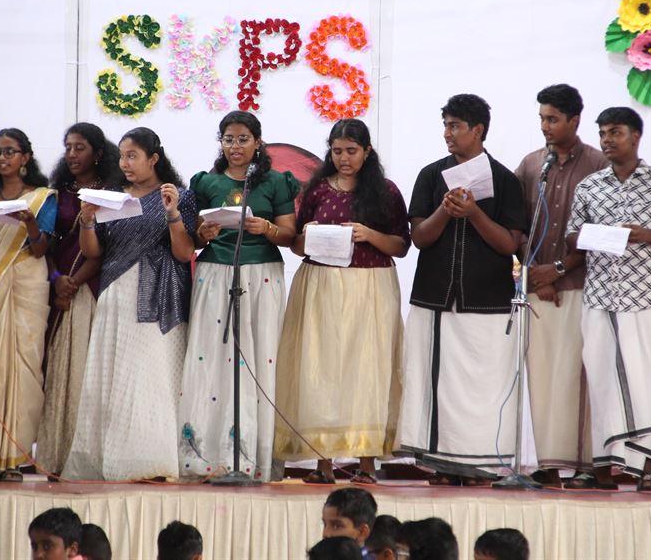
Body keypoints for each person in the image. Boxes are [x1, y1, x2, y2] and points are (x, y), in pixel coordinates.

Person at [395, 94, 527, 484]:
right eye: (446, 125)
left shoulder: (505, 181)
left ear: (478, 130)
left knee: (482, 388)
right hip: (434, 296)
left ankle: (481, 465)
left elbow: (509, 243)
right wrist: (444, 210)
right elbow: (419, 238)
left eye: (455, 126)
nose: (447, 134)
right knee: (436, 385)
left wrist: (474, 214)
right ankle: (441, 464)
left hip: (487, 301)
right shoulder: (431, 175)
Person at [565, 107, 651, 491]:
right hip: (600, 298)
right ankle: (603, 469)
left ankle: (647, 468)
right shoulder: (590, 186)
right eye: (603, 133)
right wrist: (601, 236)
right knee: (601, 382)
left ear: (635, 136)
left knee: (645, 381)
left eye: (615, 132)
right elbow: (572, 237)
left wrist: (645, 235)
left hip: (645, 299)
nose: (607, 140)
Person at [275, 119, 410, 484]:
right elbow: (296, 245)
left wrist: (369, 234)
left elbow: (401, 245)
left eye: (351, 151)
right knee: (321, 369)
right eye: (337, 151)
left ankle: (367, 465)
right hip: (321, 285)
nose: (344, 158)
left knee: (369, 370)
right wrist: (309, 236)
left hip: (371, 286)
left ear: (367, 151)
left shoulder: (385, 192)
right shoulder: (318, 190)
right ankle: (323, 465)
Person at [62, 128, 197, 481]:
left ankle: (150, 461)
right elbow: (93, 251)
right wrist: (87, 220)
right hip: (116, 295)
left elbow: (184, 253)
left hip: (159, 294)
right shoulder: (110, 197)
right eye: (122, 156)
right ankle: (108, 461)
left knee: (150, 376)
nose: (125, 163)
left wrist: (172, 213)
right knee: (113, 377)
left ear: (154, 158)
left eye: (133, 156)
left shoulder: (179, 196)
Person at [178, 111, 298, 481]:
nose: (235, 146)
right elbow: (193, 236)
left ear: (257, 142)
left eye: (243, 139)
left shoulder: (276, 182)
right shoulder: (206, 182)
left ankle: (253, 457)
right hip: (216, 272)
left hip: (261, 275)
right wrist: (204, 235)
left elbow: (290, 235)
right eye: (228, 139)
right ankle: (206, 456)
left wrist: (266, 228)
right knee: (211, 356)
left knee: (259, 357)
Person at [514, 84, 606, 488]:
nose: (545, 126)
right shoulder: (532, 165)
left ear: (574, 120)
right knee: (543, 376)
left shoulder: (599, 164)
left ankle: (587, 464)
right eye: (541, 118)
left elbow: (601, 234)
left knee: (579, 376)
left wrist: (557, 270)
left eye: (552, 119)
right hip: (538, 287)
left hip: (583, 286)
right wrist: (535, 272)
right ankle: (548, 463)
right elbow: (517, 226)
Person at [0, 128, 56, 480]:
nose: (2, 158)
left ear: (25, 157)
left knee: (25, 365)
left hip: (28, 280)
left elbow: (41, 248)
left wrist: (30, 222)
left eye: (9, 152)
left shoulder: (42, 198)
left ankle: (15, 457)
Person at [35, 123, 120, 476]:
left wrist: (75, 281)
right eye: (67, 147)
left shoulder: (112, 194)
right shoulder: (56, 194)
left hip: (93, 287)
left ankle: (87, 456)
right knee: (60, 370)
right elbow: (46, 244)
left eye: (79, 147)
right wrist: (57, 279)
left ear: (97, 153)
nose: (71, 154)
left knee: (87, 370)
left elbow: (110, 246)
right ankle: (56, 454)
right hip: (59, 289)